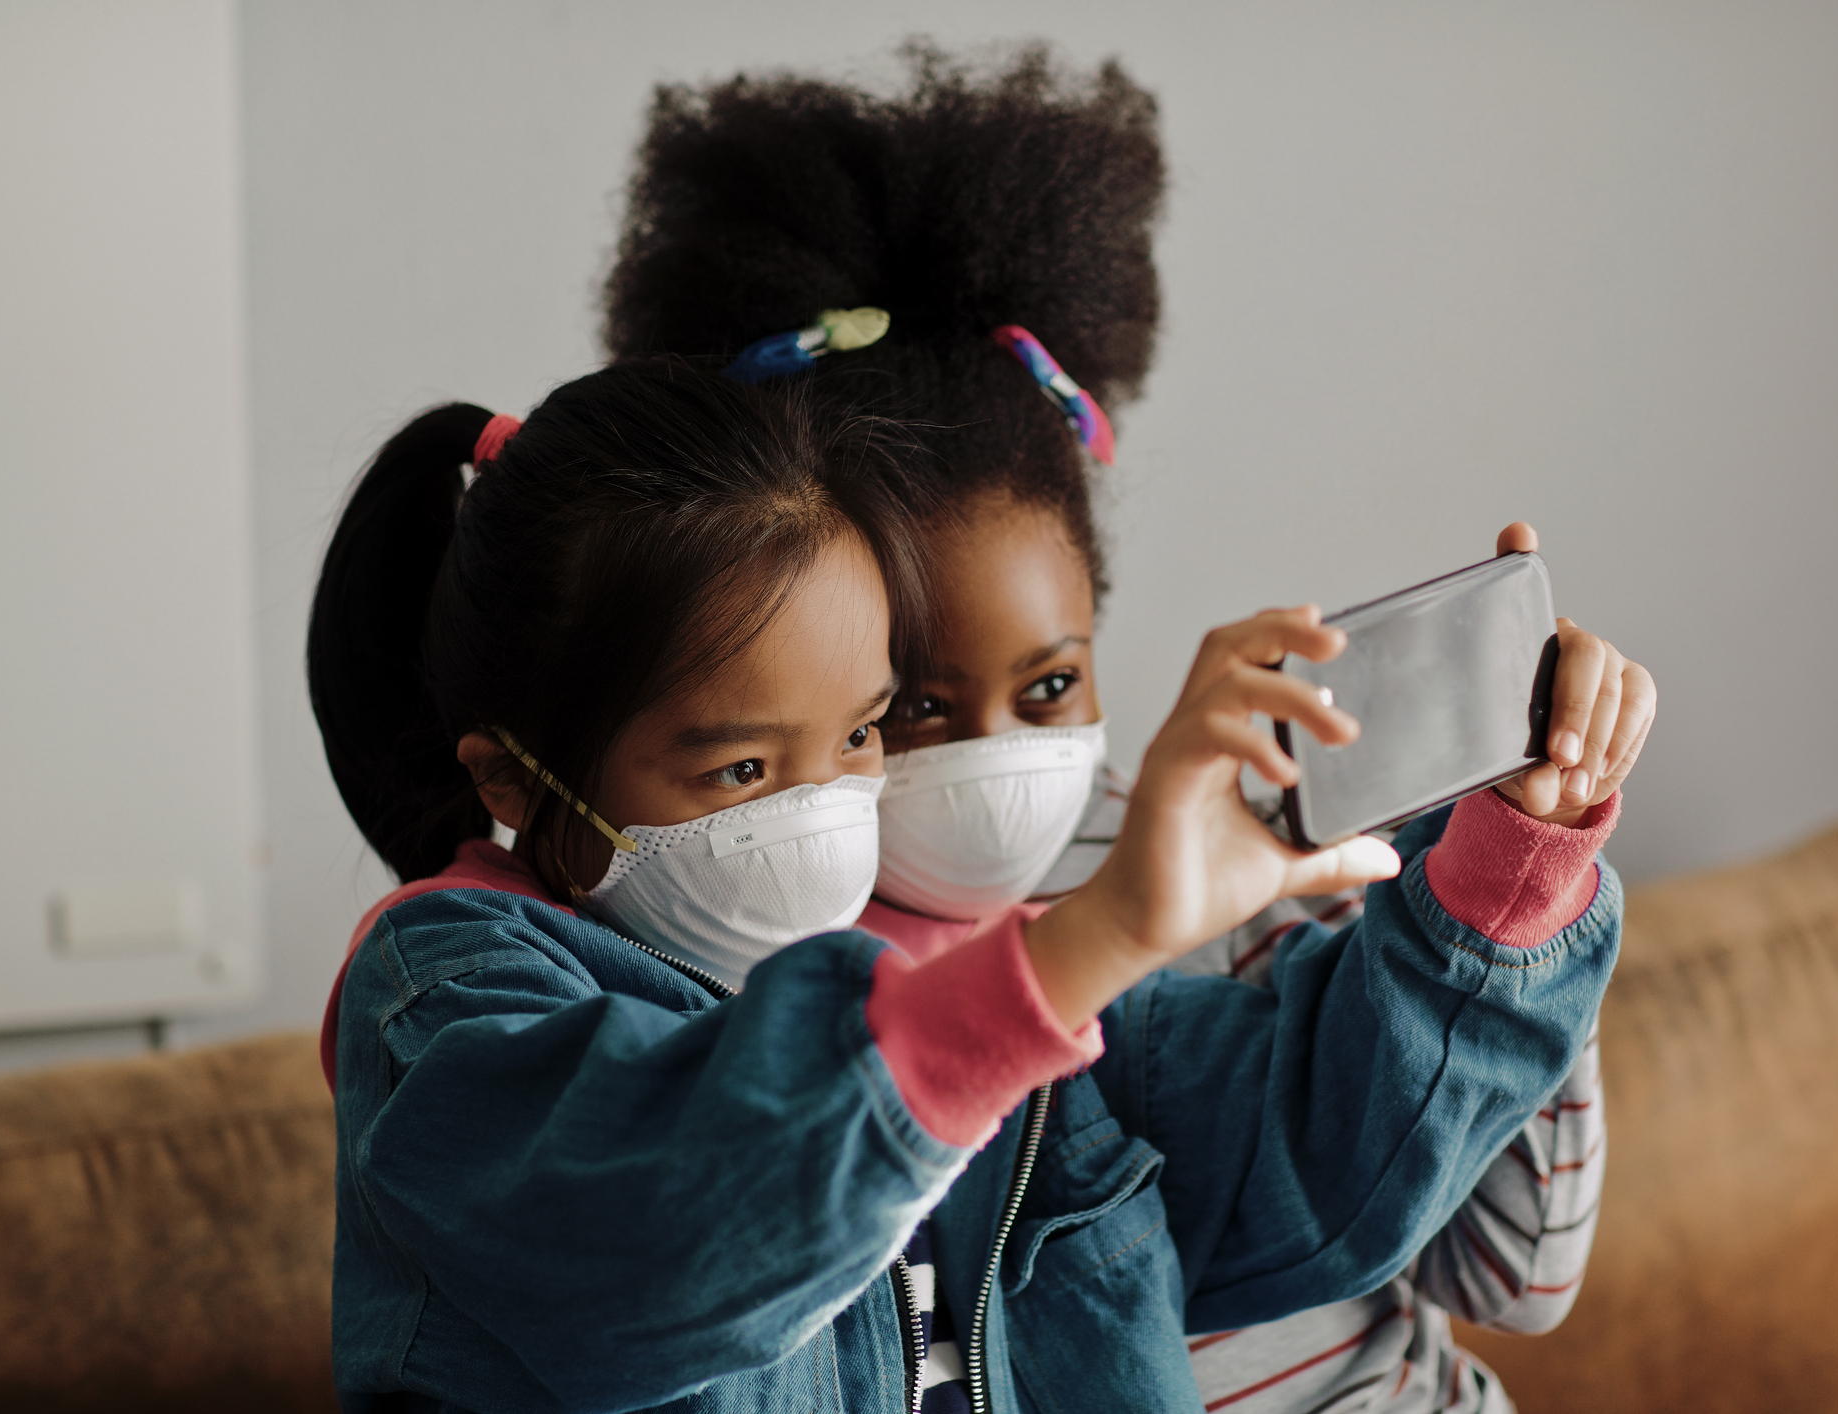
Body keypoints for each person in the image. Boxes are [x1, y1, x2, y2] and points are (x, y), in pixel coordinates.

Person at [601, 46, 1650, 1412]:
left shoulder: (1245, 855)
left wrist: (1519, 868)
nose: (987, 754)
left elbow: (1519, 1268)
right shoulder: (747, 980)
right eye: (909, 706)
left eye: (1046, 686)